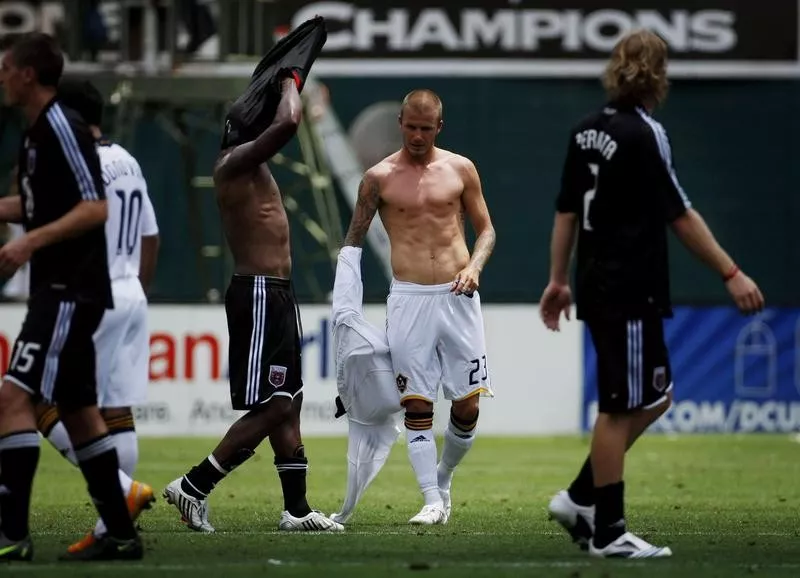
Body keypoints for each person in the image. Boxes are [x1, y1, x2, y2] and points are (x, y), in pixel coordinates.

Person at [539, 29, 765, 558]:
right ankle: (609, 532)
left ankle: (579, 498)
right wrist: (731, 272)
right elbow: (680, 214)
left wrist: (558, 279)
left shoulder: (583, 131)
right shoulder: (646, 134)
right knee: (621, 407)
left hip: (598, 283)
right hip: (629, 285)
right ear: (658, 74)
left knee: (655, 396)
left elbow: (566, 212)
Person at [162, 16, 343, 533]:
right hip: (259, 293)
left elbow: (279, 122)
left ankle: (298, 510)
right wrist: (290, 76)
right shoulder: (233, 164)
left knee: (291, 402)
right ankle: (193, 487)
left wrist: (285, 76)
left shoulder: (248, 164)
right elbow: (287, 123)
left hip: (276, 293)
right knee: (274, 404)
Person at [0, 32, 144, 561]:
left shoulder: (62, 125)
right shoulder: (36, 130)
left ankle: (11, 536)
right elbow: (36, 205)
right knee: (81, 411)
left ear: (28, 74)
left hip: (67, 291)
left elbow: (94, 207)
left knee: (13, 399)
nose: (1, 76)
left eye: (5, 67)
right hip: (63, 289)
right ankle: (120, 533)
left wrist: (27, 246)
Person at [343, 89, 496, 525]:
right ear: (400, 122)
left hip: (458, 296)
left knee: (467, 406)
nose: (417, 135)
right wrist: (345, 301)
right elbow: (353, 239)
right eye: (411, 126)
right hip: (408, 299)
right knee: (417, 404)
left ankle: (443, 478)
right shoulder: (378, 177)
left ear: (439, 128)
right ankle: (430, 499)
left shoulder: (461, 169)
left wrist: (475, 267)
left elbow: (486, 231)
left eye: (425, 128)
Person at [28, 77, 161, 555]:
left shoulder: (78, 162)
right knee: (113, 410)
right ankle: (112, 527)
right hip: (129, 294)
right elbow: (151, 235)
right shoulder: (127, 159)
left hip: (92, 294)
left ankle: (121, 490)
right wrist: (136, 292)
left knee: (35, 400)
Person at [328, 245, 402, 525]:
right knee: (345, 314)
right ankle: (436, 495)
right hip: (367, 392)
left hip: (364, 393)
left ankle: (436, 495)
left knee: (345, 314)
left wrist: (350, 249)